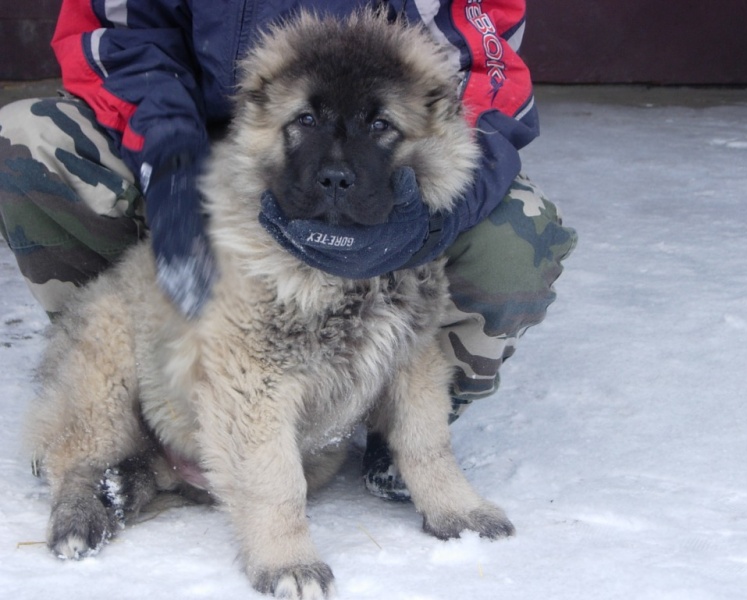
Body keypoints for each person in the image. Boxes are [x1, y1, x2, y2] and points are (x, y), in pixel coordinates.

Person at [0, 0, 576, 501]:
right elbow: (120, 35)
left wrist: (426, 222)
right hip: (215, 141)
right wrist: (171, 166)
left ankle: (384, 426)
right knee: (28, 143)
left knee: (515, 240)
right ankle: (116, 406)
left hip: (379, 161)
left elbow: (475, 68)